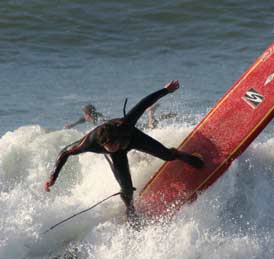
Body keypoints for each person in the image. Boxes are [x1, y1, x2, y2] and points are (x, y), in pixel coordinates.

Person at [44, 80, 203, 222]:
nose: (115, 148)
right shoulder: (90, 142)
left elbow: (144, 104)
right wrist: (53, 176)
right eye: (110, 148)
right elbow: (65, 152)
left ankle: (179, 154)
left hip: (133, 138)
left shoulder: (125, 124)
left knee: (167, 156)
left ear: (117, 136)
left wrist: (166, 90)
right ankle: (130, 210)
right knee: (126, 189)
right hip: (117, 158)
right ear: (102, 145)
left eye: (116, 144)